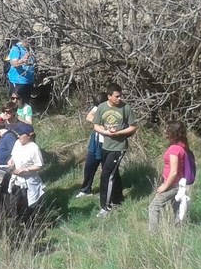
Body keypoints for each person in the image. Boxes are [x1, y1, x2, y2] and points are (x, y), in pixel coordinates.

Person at [93, 83, 138, 217]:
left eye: (120, 96)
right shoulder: (101, 107)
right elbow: (95, 125)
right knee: (114, 173)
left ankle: (105, 207)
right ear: (109, 96)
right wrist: (106, 132)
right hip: (105, 146)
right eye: (116, 96)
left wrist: (119, 133)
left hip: (119, 147)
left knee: (106, 175)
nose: (119, 99)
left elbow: (133, 127)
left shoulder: (125, 108)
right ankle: (118, 199)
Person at [148, 121, 190, 233]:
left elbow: (174, 172)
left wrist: (165, 186)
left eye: (167, 130)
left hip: (172, 185)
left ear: (173, 133)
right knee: (177, 209)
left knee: (154, 207)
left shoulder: (174, 149)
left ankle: (153, 234)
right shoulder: (182, 146)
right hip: (178, 184)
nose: (165, 131)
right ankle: (179, 231)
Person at [7, 123, 45, 224]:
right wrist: (11, 161)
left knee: (28, 206)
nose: (18, 136)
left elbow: (39, 165)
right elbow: (13, 156)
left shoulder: (34, 148)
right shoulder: (17, 143)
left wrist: (26, 169)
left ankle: (29, 225)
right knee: (14, 204)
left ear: (29, 135)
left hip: (29, 183)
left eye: (21, 134)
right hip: (16, 180)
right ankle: (16, 223)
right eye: (18, 134)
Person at [75, 94, 108, 198]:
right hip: (96, 141)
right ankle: (85, 190)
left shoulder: (113, 110)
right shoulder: (99, 106)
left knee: (106, 169)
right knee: (89, 165)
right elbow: (89, 116)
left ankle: (106, 193)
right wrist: (99, 122)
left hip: (107, 142)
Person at [5, 35, 35, 103]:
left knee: (25, 103)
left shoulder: (30, 48)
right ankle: (13, 113)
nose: (30, 41)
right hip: (18, 81)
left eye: (32, 39)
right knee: (16, 102)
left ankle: (25, 113)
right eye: (28, 40)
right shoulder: (16, 48)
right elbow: (14, 64)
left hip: (28, 81)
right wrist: (23, 60)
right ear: (23, 39)